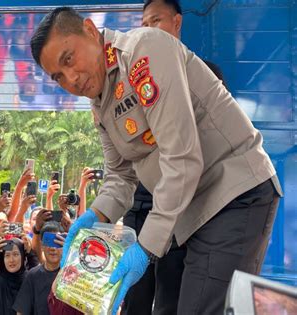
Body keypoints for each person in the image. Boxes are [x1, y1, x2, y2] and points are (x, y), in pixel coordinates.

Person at [30, 7, 282, 315]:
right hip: (189, 213)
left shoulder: (143, 52)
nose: (70, 79)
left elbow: (183, 158)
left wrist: (145, 249)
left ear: (90, 31)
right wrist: (94, 217)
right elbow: (120, 178)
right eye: (58, 77)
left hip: (233, 195)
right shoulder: (99, 106)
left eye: (69, 59)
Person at [122, 1, 228, 314]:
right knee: (134, 298)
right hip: (140, 207)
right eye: (144, 23)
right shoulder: (132, 82)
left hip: (180, 210)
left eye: (156, 20)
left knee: (170, 301)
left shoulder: (205, 75)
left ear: (177, 22)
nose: (149, 29)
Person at [13, 222, 64, 315]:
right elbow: (21, 311)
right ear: (42, 245)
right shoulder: (33, 275)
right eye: (49, 242)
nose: (53, 248)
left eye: (57, 242)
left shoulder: (71, 275)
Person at [0, 238, 27, 315]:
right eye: (7, 255)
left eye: (15, 254)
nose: (11, 260)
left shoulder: (30, 280)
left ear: (22, 256)